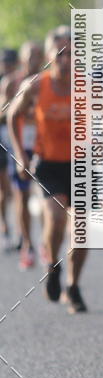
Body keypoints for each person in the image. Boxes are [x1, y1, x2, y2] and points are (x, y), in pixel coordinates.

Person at [8, 27, 88, 312]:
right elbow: (13, 114)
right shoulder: (36, 85)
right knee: (55, 218)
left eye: (71, 53)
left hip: (80, 163)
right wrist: (20, 156)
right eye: (60, 54)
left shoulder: (85, 85)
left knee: (82, 231)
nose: (66, 60)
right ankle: (53, 265)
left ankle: (74, 286)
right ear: (50, 56)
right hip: (48, 162)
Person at [4, 41, 44, 268]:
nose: (33, 60)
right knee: (23, 195)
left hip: (42, 143)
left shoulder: (47, 82)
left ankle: (45, 244)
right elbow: (5, 112)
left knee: (48, 196)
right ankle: (27, 243)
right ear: (22, 59)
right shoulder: (12, 83)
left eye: (37, 55)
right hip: (20, 142)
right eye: (29, 56)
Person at [0, 48, 20, 250]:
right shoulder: (5, 84)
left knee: (16, 189)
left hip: (17, 138)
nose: (8, 66)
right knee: (4, 190)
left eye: (11, 62)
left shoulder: (21, 81)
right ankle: (5, 228)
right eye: (4, 62)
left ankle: (20, 231)